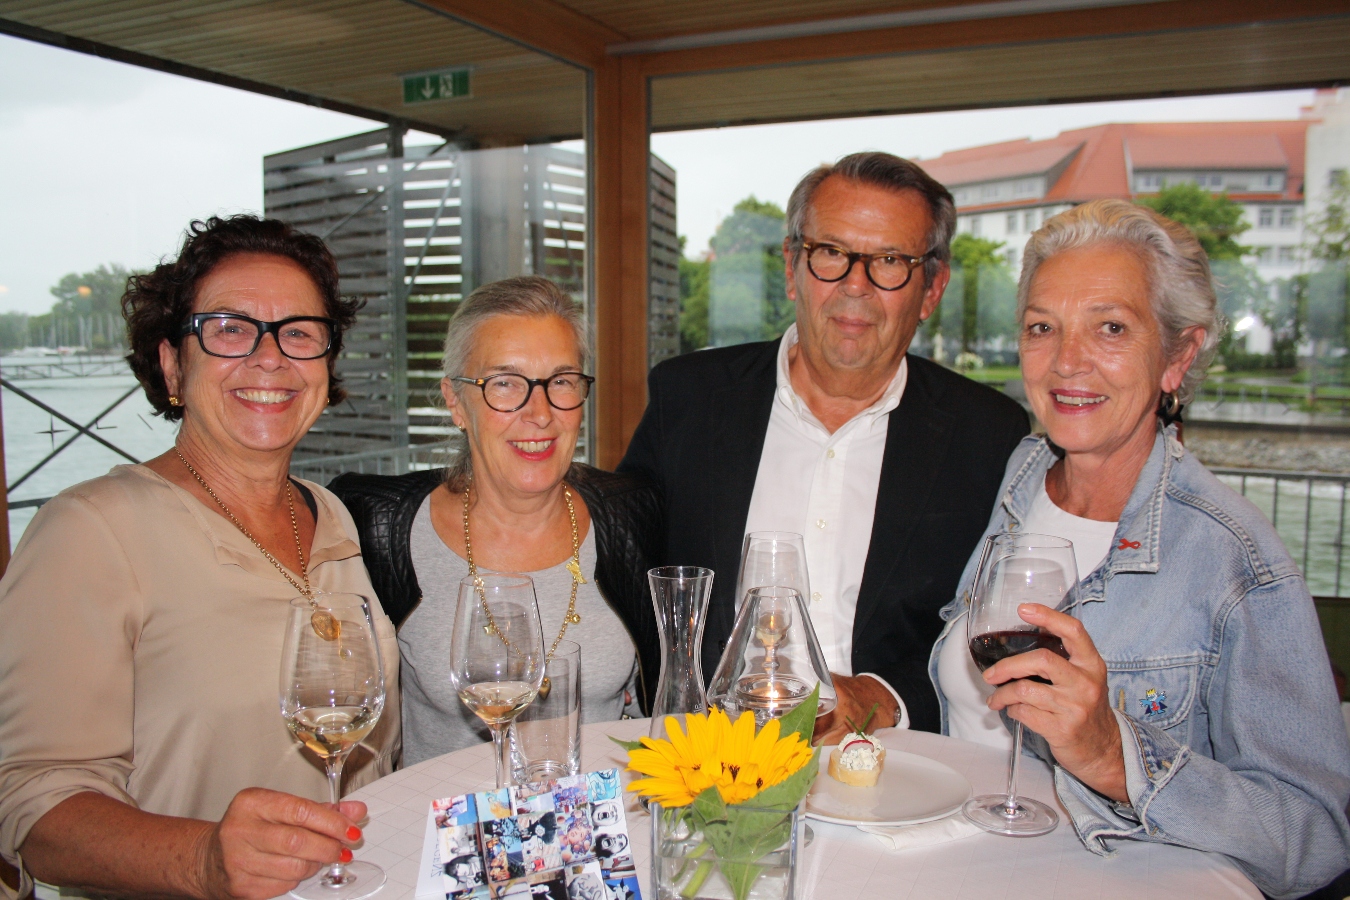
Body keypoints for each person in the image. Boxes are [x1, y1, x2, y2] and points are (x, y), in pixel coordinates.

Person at [929, 199, 1350, 897]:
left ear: (1178, 357)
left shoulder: (1234, 558)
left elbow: (1315, 836)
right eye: (1042, 327)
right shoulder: (1016, 477)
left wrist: (1114, 757)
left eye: (1112, 328)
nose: (1068, 361)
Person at [0, 216, 400, 899]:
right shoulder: (89, 530)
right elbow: (32, 802)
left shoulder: (329, 512)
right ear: (171, 365)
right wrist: (203, 860)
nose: (270, 357)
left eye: (300, 332)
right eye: (229, 328)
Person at [619, 152, 1029, 743]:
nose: (855, 286)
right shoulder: (688, 400)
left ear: (932, 289)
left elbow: (992, 626)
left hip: (899, 762)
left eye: (889, 261)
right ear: (792, 268)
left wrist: (885, 697)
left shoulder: (987, 434)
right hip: (711, 758)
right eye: (832, 253)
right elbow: (622, 570)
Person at [330, 276, 661, 766]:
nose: (540, 413)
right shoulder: (379, 527)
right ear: (455, 401)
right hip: (430, 814)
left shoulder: (632, 515)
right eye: (505, 384)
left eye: (561, 381)